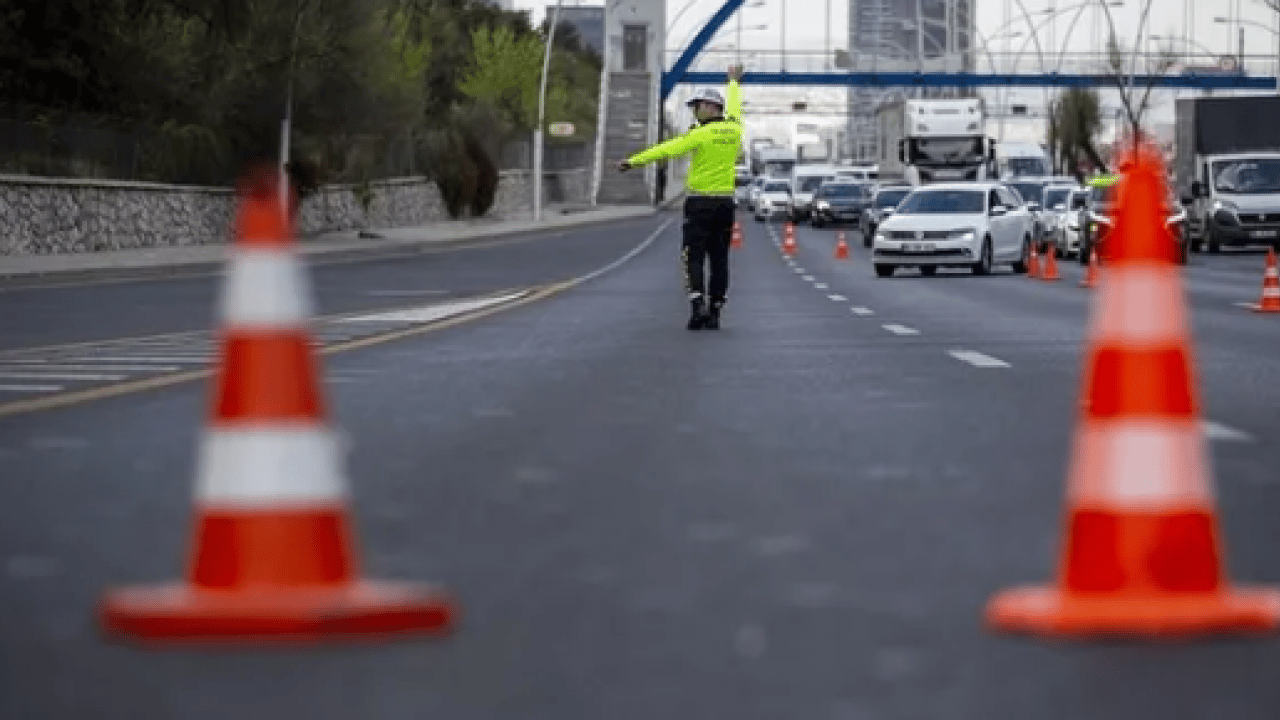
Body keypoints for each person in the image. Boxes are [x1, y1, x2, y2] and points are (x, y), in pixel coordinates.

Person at [618, 64, 745, 330]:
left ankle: (697, 305)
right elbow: (735, 107)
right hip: (724, 204)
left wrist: (633, 162)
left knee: (693, 255)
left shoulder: (698, 135)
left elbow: (665, 150)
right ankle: (716, 310)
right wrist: (733, 82)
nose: (695, 111)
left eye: (697, 106)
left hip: (699, 203)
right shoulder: (734, 130)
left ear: (710, 108)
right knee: (720, 259)